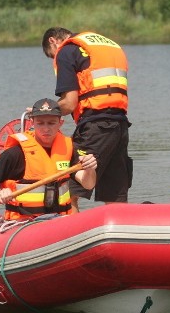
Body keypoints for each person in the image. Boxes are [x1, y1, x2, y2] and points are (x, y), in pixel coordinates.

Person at [41, 27, 132, 212]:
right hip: (120, 125)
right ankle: (119, 236)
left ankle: (69, 238)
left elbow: (69, 102)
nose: (54, 58)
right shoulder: (108, 44)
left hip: (95, 126)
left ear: (53, 41)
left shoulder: (66, 50)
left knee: (68, 192)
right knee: (115, 196)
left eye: (52, 55)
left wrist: (44, 113)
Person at [0, 98, 97, 221]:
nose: (46, 128)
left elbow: (88, 184)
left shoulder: (69, 148)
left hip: (61, 220)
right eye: (40, 123)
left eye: (51, 123)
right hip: (24, 223)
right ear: (32, 123)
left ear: (60, 123)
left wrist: (90, 170)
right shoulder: (15, 153)